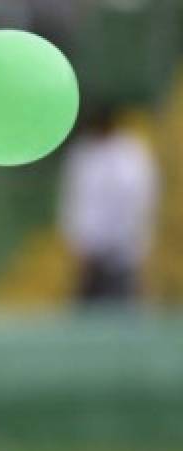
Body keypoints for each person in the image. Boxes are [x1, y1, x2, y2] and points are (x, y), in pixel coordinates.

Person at [58, 104, 159, 304]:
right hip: (90, 250)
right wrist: (80, 243)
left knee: (123, 305)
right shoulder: (84, 154)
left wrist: (133, 241)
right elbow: (75, 200)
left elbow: (139, 200)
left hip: (124, 249)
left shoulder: (131, 154)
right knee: (88, 308)